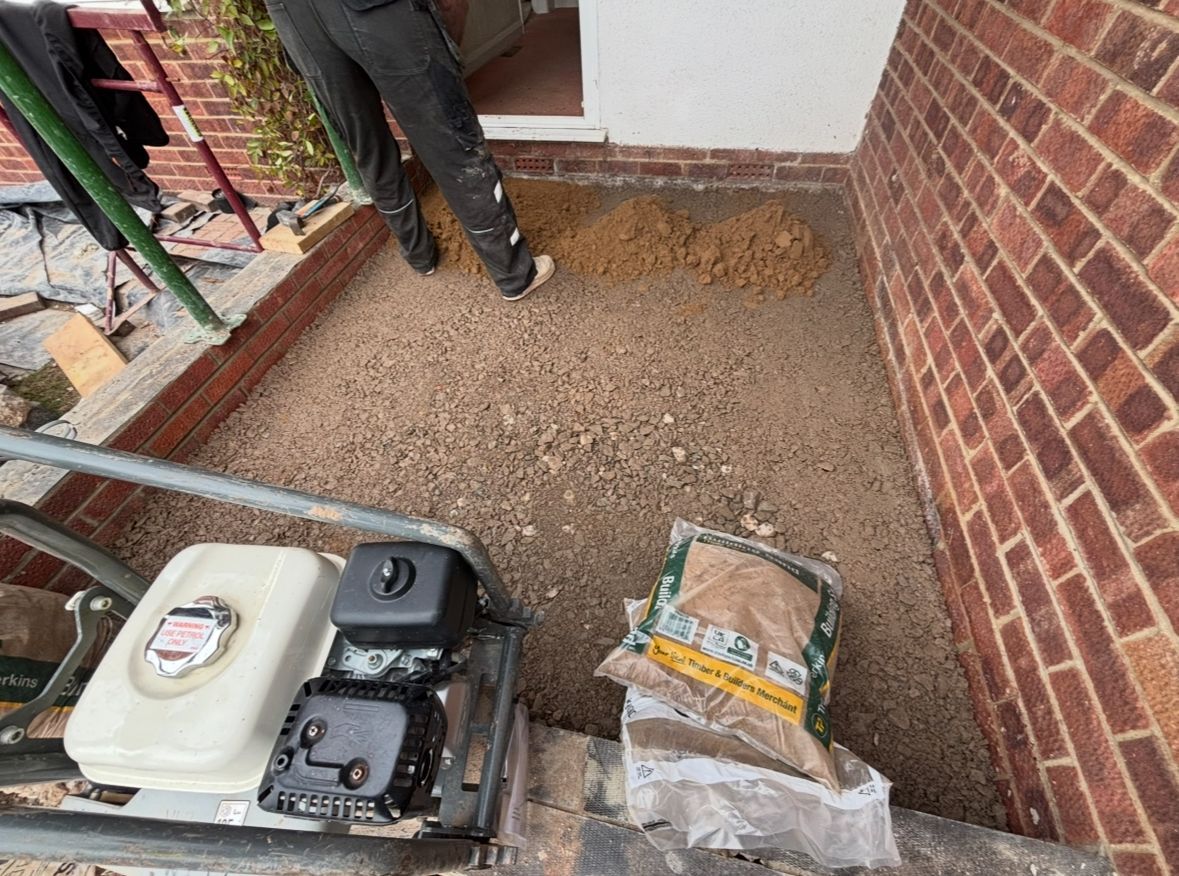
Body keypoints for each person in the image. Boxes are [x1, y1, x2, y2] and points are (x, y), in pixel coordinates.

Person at [265, 0, 555, 301]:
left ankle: (419, 256)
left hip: (294, 16)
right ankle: (514, 274)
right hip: (379, 10)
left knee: (367, 146)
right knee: (450, 140)